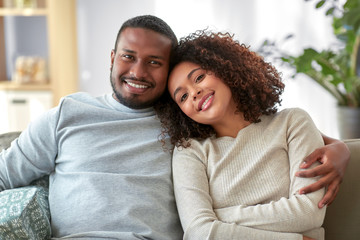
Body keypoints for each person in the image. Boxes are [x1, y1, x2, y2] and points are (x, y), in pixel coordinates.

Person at [0, 15, 350, 239]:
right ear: (112, 57)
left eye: (154, 63)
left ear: (166, 72)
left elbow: (268, 130)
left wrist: (341, 147)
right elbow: (4, 175)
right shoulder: (67, 114)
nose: (138, 72)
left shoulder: (181, 125)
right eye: (127, 56)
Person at [154, 30, 333, 239]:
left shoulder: (292, 122)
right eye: (183, 96)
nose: (194, 93)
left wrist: (219, 218)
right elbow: (198, 232)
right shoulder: (190, 151)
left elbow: (309, 212)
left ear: (224, 68)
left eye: (199, 77)